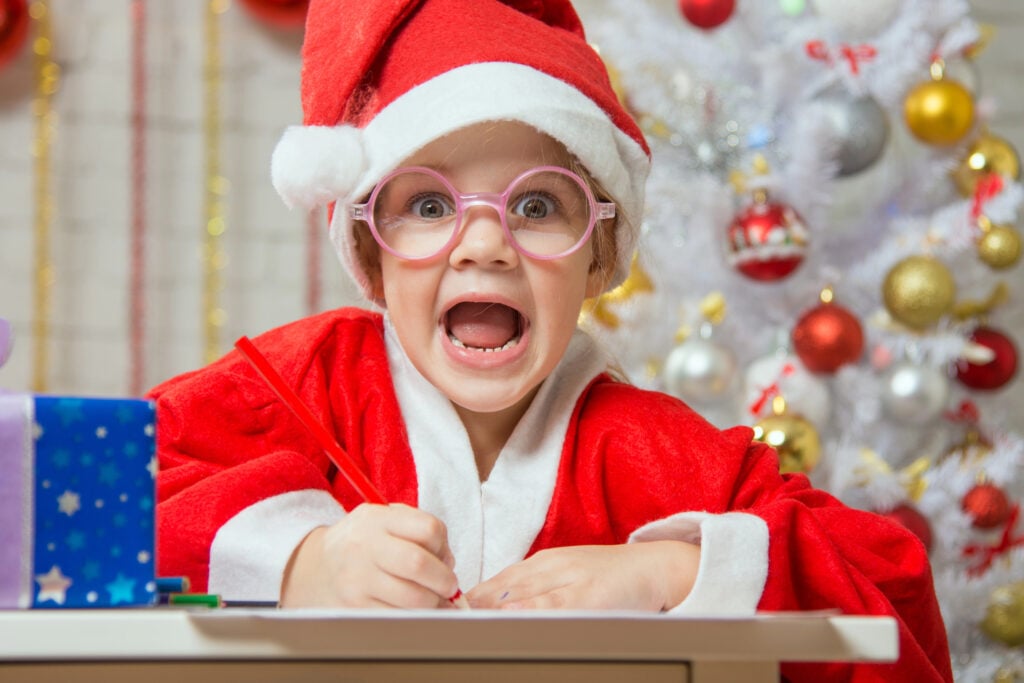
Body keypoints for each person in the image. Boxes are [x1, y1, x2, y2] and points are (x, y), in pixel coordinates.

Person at [151, 0, 953, 679]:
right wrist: (302, 562)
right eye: (428, 207)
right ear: (369, 250)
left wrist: (669, 570)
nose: (483, 244)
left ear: (598, 252)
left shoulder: (656, 453)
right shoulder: (302, 384)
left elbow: (894, 589)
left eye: (537, 206)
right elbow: (98, 494)